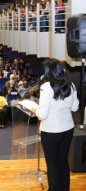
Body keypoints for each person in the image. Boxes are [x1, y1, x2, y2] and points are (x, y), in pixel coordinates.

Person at [31, 58, 79, 191]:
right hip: (68, 129)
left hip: (51, 132)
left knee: (52, 165)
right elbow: (75, 108)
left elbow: (42, 115)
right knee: (63, 161)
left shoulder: (46, 87)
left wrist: (35, 109)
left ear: (48, 71)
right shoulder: (71, 85)